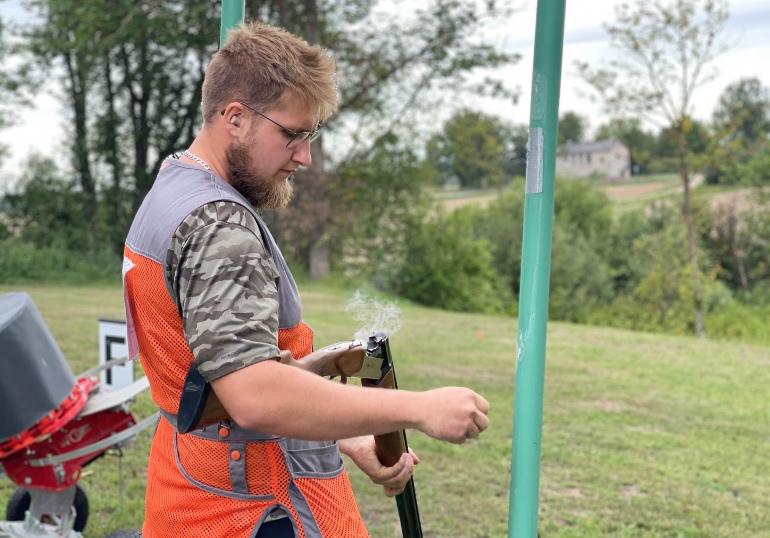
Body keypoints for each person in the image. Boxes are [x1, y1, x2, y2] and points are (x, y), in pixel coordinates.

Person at [122, 22, 490, 538]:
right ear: (235, 118)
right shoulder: (216, 226)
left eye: (310, 136)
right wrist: (420, 408)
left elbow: (222, 379)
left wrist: (349, 436)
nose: (304, 156)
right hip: (257, 509)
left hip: (202, 489)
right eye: (292, 134)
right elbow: (255, 394)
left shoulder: (175, 185)